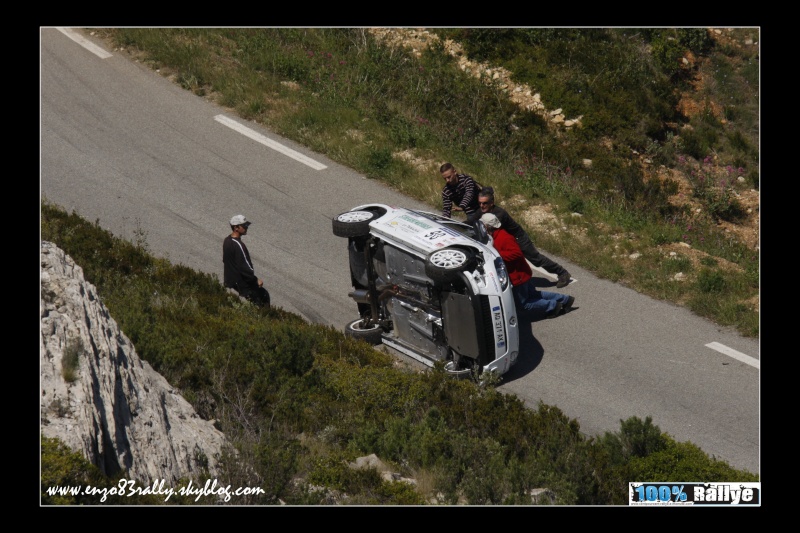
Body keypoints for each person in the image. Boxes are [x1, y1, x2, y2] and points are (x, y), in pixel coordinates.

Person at [481, 213, 574, 319]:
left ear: (488, 226)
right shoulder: (494, 237)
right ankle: (565, 300)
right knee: (534, 296)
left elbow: (517, 253)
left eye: (483, 224)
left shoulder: (504, 237)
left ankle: (553, 306)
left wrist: (497, 254)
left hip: (518, 277)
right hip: (521, 274)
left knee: (523, 305)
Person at [478, 187, 572, 288]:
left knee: (536, 259)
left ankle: (562, 273)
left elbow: (486, 227)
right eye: (480, 203)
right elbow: (474, 221)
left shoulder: (498, 214)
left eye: (485, 203)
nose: (482, 206)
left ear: (491, 203)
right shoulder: (484, 211)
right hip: (509, 240)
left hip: (519, 238)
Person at [223, 214, 270, 307]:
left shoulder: (227, 241)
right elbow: (245, 267)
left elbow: (225, 260)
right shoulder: (239, 245)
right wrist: (255, 280)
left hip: (230, 281)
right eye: (244, 226)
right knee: (263, 296)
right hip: (242, 284)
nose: (246, 227)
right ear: (236, 227)